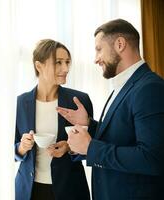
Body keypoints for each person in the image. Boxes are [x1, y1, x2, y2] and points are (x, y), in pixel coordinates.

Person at [57, 19, 164, 200]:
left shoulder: (150, 88)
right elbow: (123, 136)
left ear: (120, 44)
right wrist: (88, 125)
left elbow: (152, 158)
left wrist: (91, 149)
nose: (96, 58)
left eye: (99, 49)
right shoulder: (122, 86)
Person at [14, 39, 92, 200]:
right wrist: (22, 147)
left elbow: (92, 146)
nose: (65, 68)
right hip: (29, 190)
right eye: (58, 62)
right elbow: (9, 149)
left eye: (67, 62)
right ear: (39, 66)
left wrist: (69, 148)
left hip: (70, 189)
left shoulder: (79, 100)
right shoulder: (21, 103)